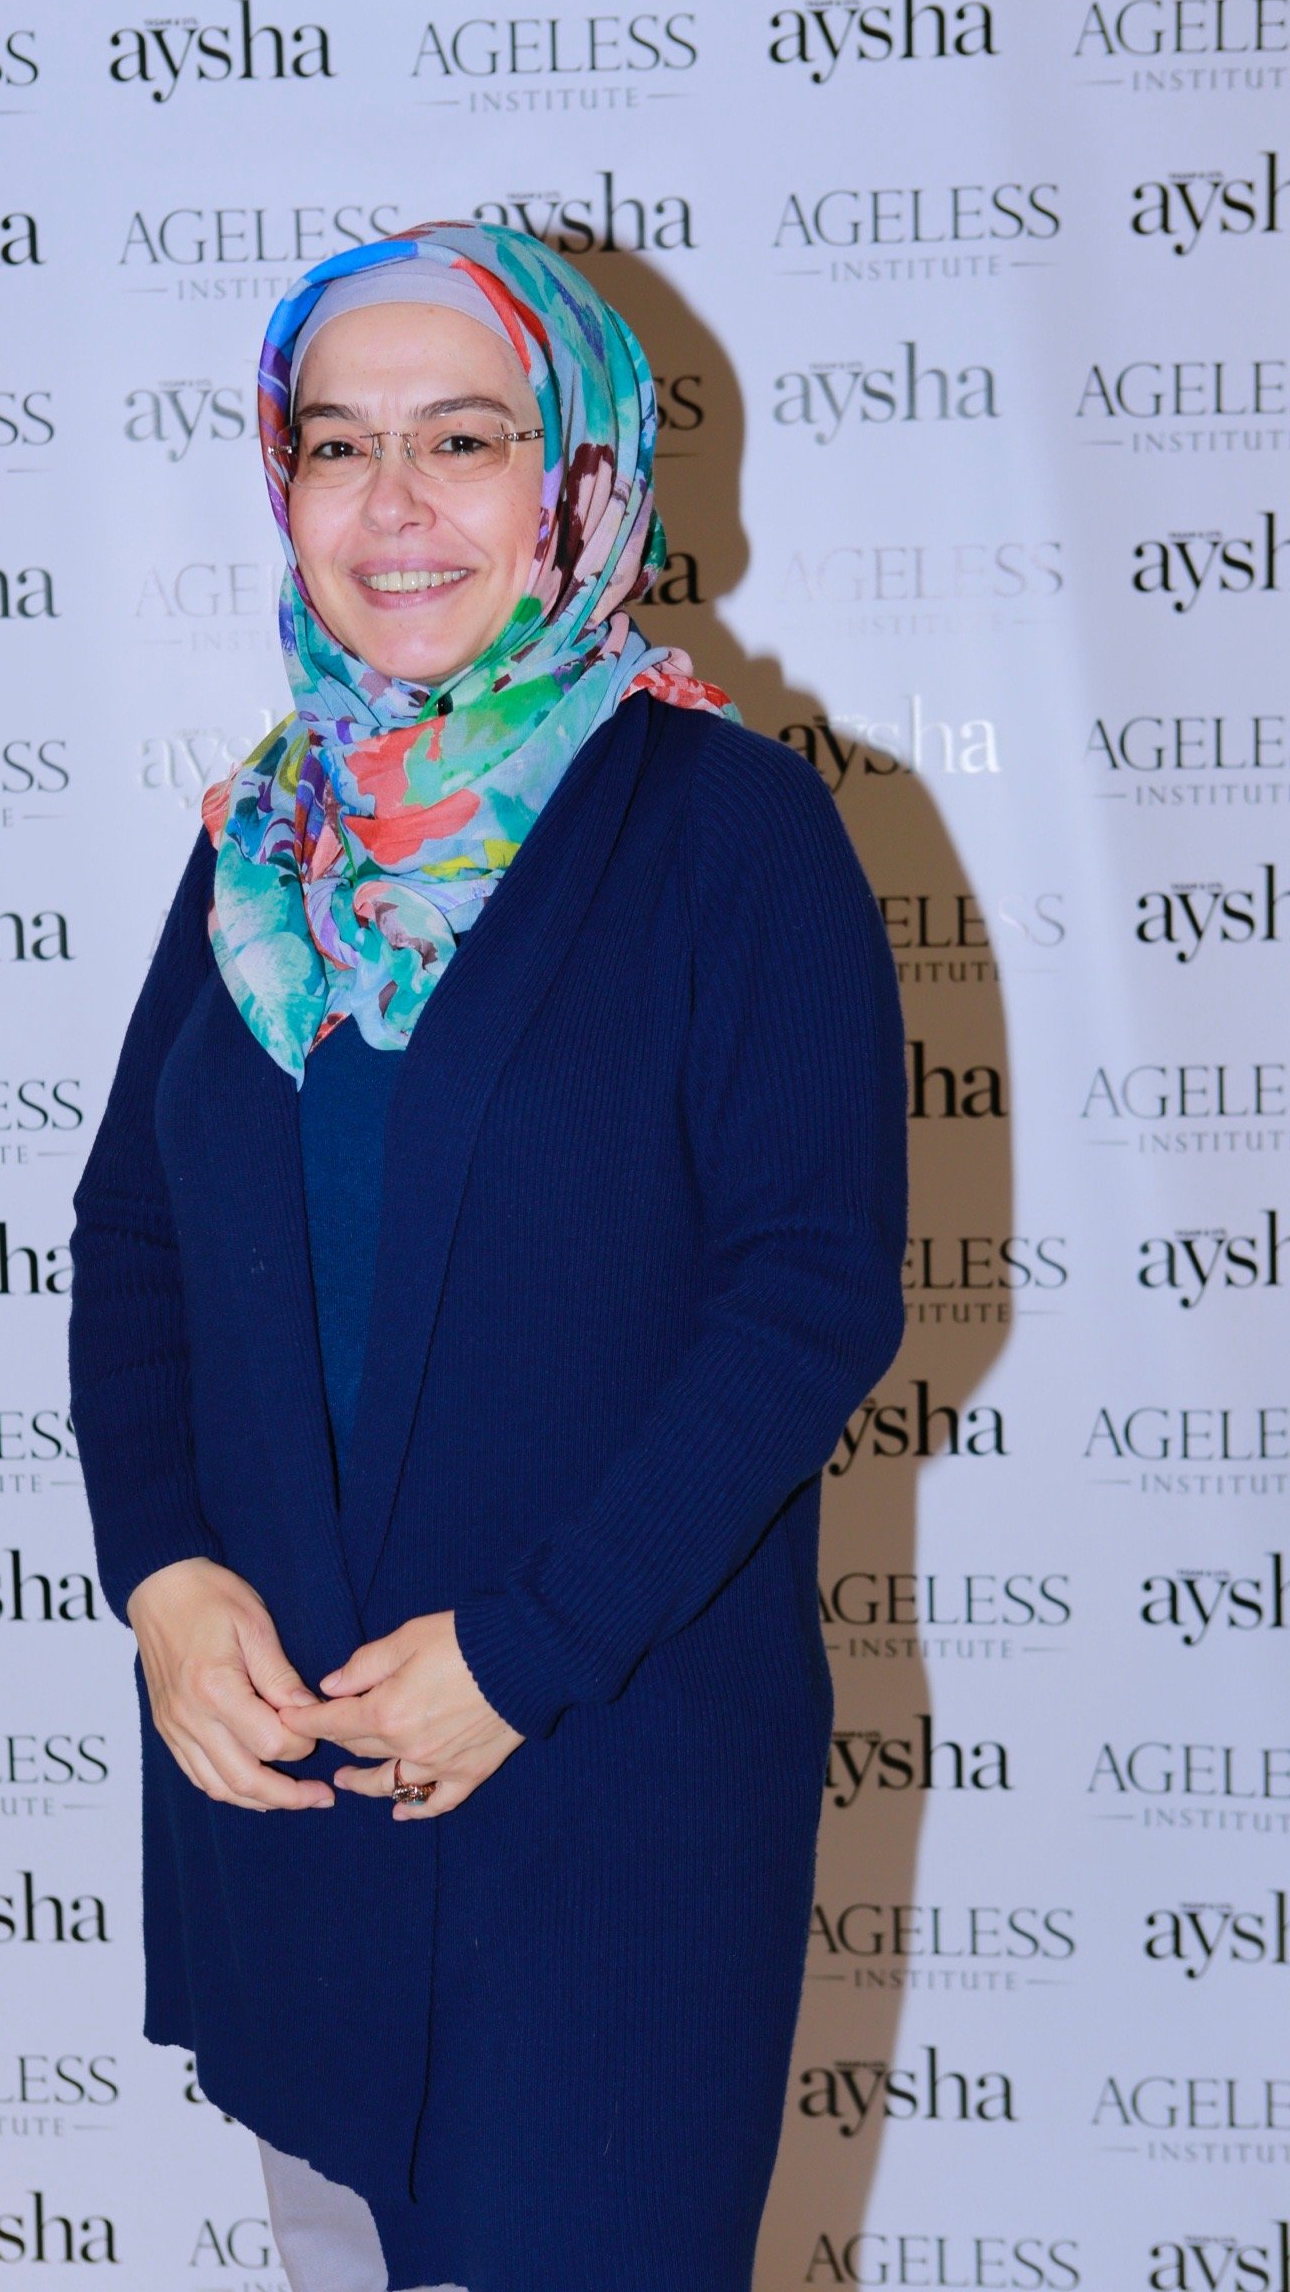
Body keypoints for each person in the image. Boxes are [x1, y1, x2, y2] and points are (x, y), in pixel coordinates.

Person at [68, 219, 906, 2292]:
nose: (391, 504)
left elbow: (810, 1295)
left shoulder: (731, 830)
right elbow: (135, 1232)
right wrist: (164, 1578)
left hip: (598, 1784)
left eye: (460, 438)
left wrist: (527, 1653)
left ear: (579, 481)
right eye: (337, 444)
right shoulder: (262, 845)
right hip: (293, 1797)